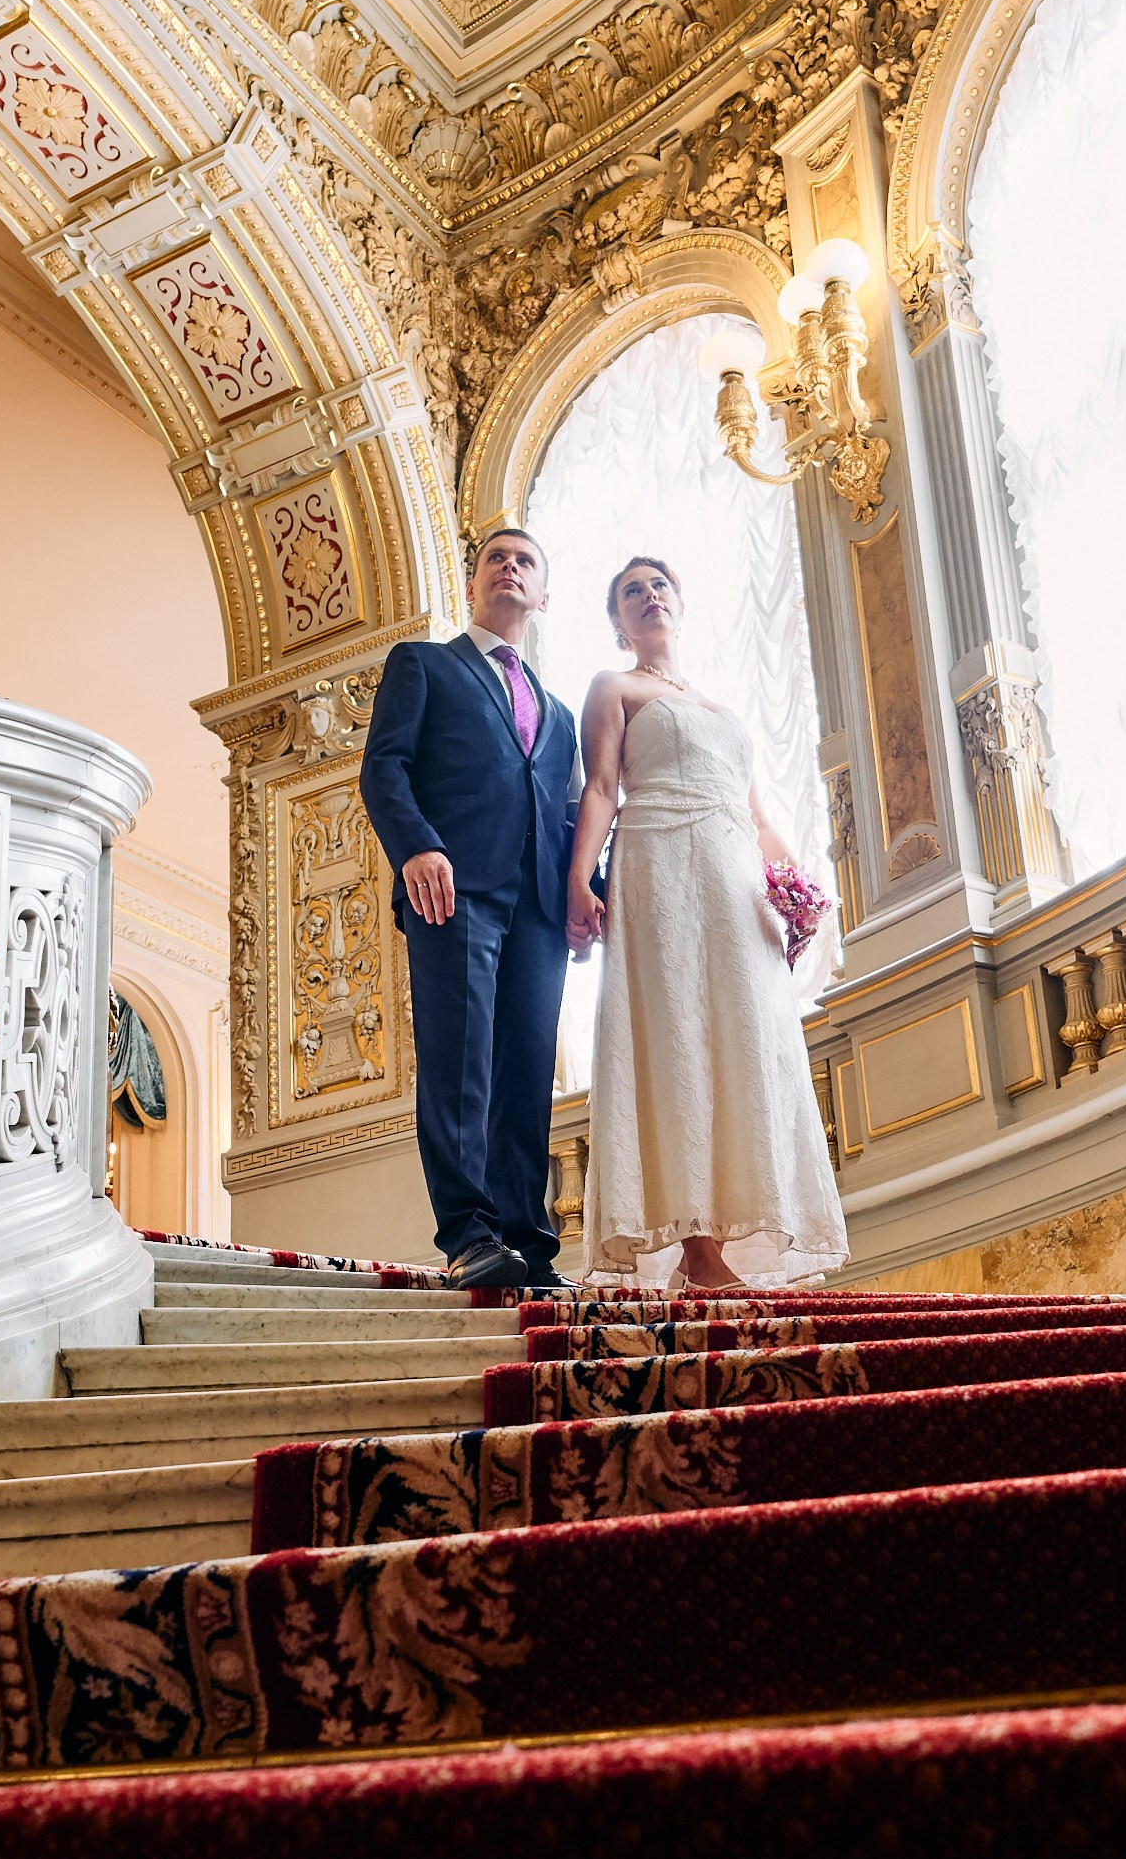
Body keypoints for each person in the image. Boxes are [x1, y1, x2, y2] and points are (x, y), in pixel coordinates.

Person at [569, 554, 847, 1289]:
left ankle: (747, 1217)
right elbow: (600, 786)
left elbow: (756, 816)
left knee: (747, 1038)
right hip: (659, 868)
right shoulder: (615, 688)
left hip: (736, 885)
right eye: (631, 591)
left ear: (679, 604)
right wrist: (578, 878)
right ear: (618, 619)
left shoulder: (725, 712)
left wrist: (799, 891)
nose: (649, 596)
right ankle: (694, 1245)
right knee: (676, 1035)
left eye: (659, 585)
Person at [359, 525, 580, 1290]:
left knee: (524, 1071)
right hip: (451, 890)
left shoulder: (560, 715)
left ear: (542, 595)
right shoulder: (423, 665)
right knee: (460, 1065)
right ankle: (468, 1235)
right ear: (474, 584)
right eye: (496, 559)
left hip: (540, 908)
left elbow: (566, 813)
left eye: (525, 561)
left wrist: (587, 889)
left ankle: (529, 1239)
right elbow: (384, 766)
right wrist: (417, 845)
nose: (509, 568)